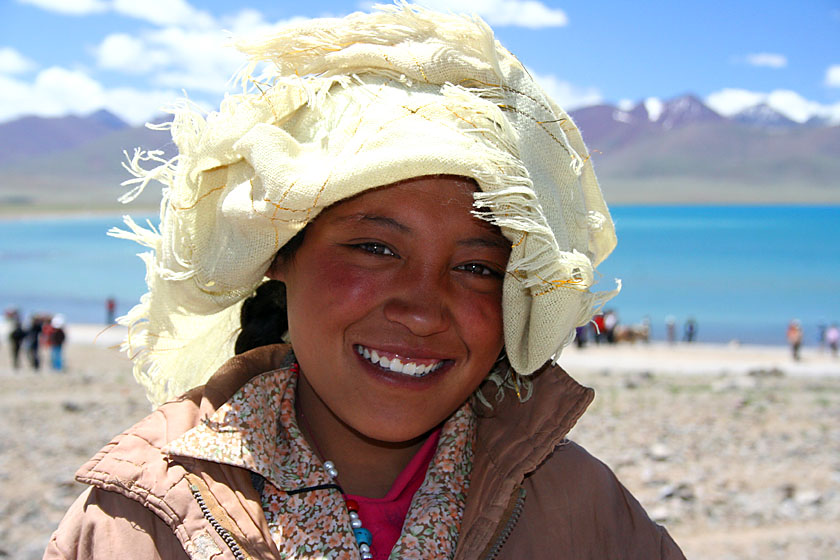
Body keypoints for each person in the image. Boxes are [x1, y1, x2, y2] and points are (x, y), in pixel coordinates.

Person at [45, 5, 684, 559]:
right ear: (279, 255)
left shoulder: (581, 513)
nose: (422, 309)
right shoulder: (138, 523)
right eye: (375, 248)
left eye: (476, 268)